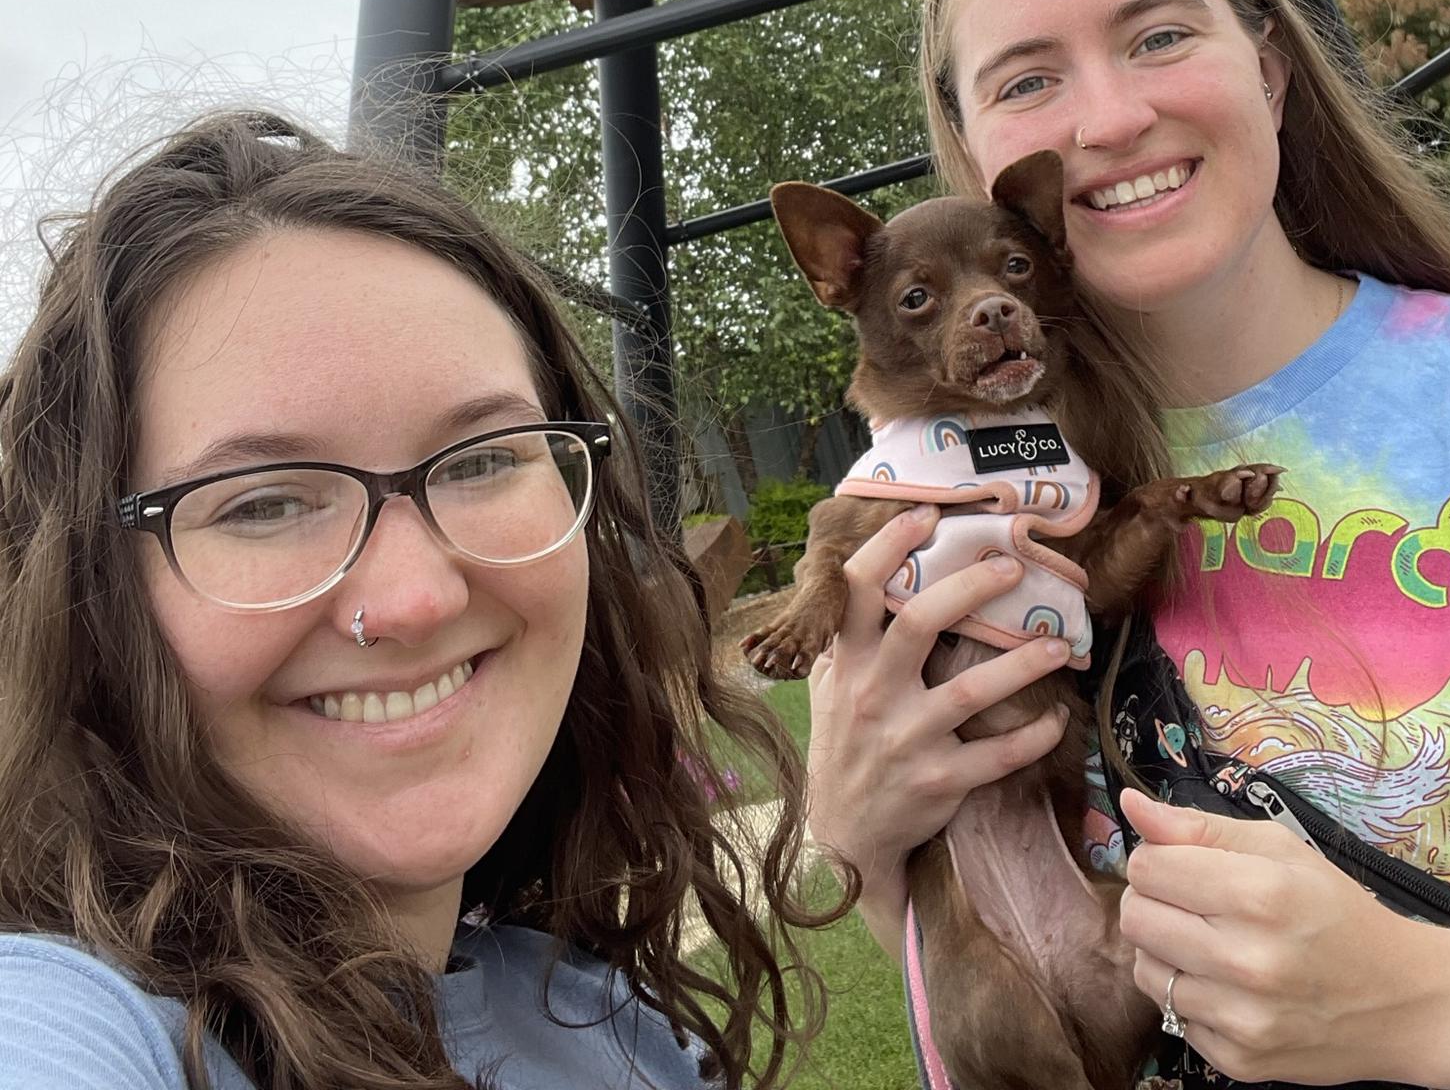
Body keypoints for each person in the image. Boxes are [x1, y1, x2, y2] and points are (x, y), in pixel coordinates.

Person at [803, 0, 1450, 1089]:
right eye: (1029, 78)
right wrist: (867, 844)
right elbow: (1007, 967)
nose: (1111, 119)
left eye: (1160, 35)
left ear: (1269, 69)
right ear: (976, 156)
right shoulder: (968, 493)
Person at [0, 111, 837, 1090]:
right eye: (263, 504)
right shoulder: (77, 1025)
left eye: (482, 459)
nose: (416, 598)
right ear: (87, 595)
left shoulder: (599, 1016)